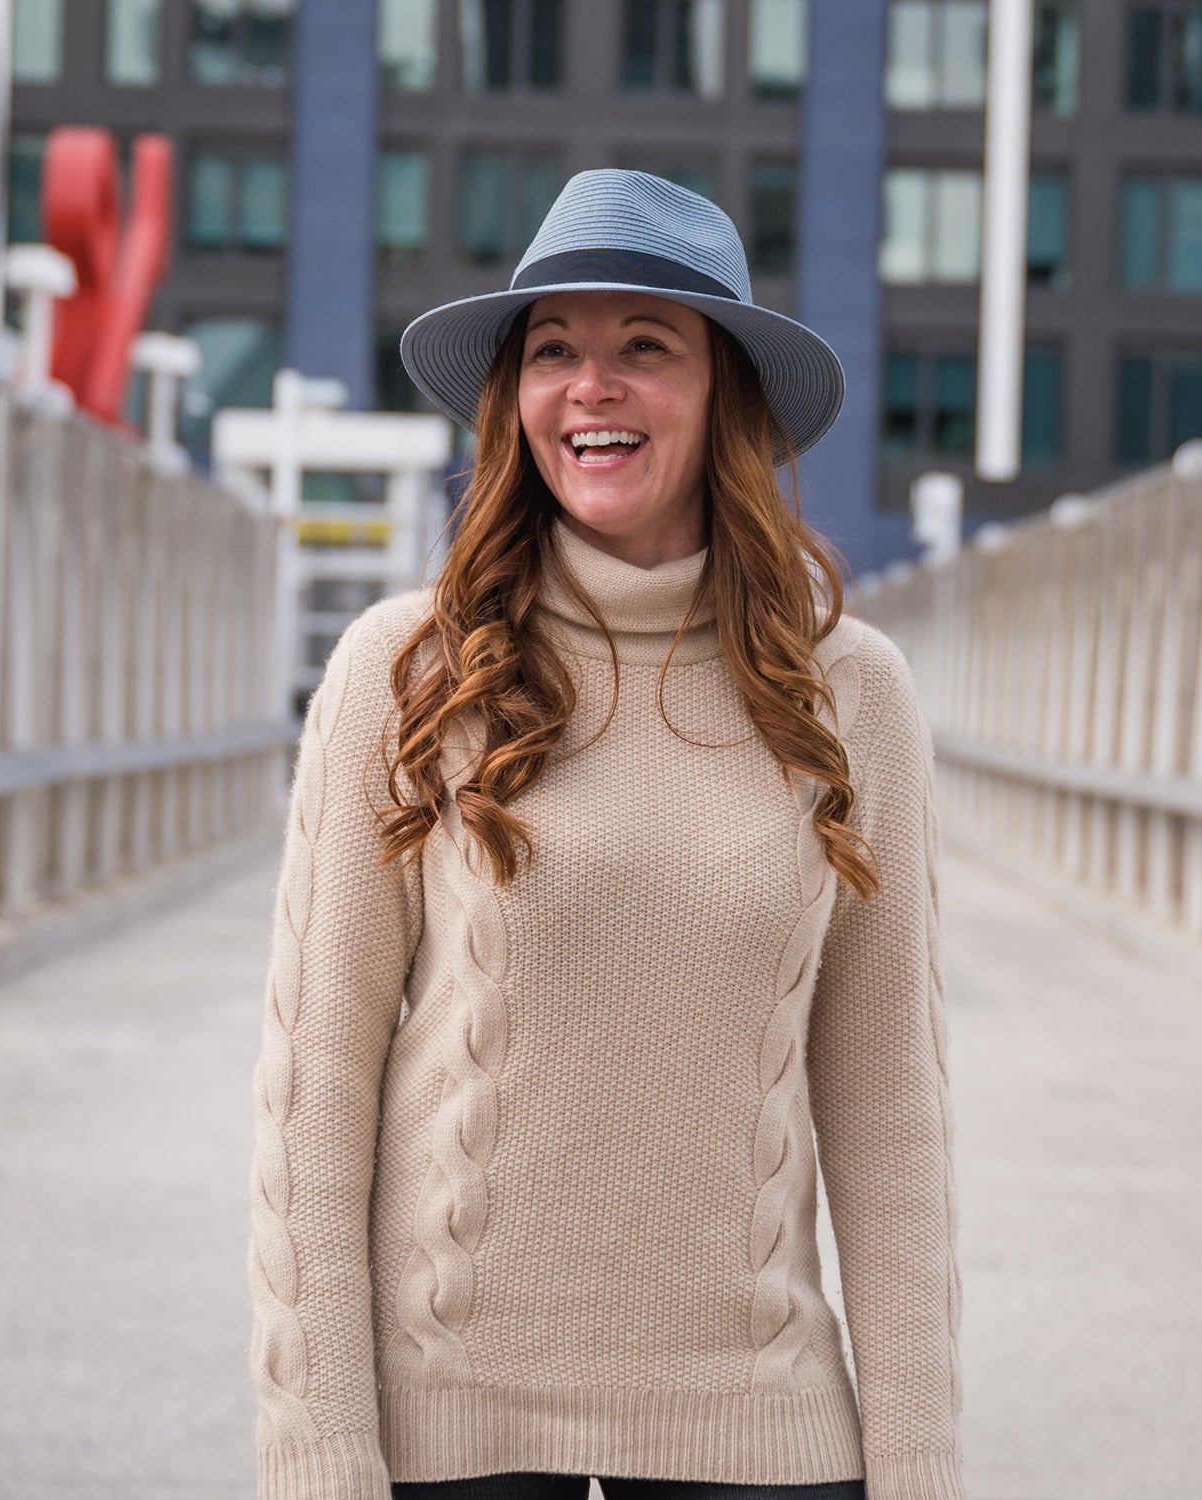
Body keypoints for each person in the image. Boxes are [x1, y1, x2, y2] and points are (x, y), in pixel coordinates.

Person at [247, 169, 965, 1500]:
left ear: (727, 397)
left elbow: (890, 1118)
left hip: (756, 1424)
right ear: (514, 400)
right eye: (556, 351)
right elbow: (315, 1095)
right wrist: (320, 1451)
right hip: (448, 1432)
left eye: (647, 347)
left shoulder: (848, 691)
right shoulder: (407, 670)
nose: (594, 386)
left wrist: (919, 1467)